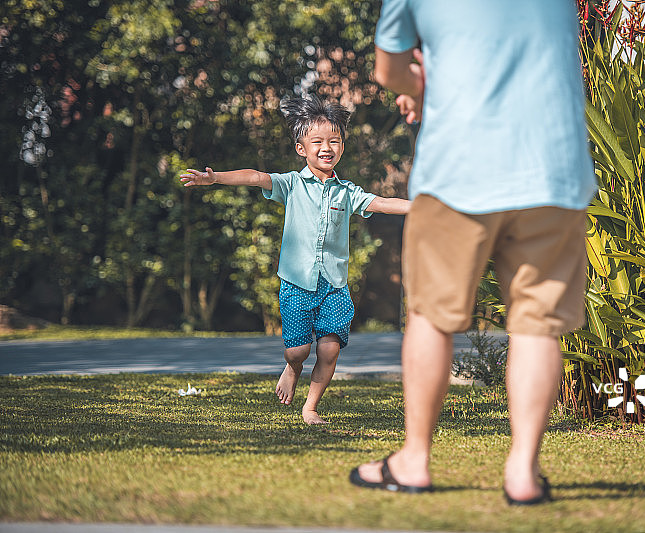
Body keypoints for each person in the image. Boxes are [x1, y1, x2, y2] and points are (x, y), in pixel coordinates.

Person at [349, 0, 597, 504]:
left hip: (459, 169)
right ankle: (523, 474)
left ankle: (414, 460)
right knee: (537, 324)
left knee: (430, 317)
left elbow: (388, 68)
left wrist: (421, 89)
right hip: (553, 166)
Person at [180, 96, 410, 425]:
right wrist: (215, 178)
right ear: (302, 148)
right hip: (297, 284)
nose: (326, 147)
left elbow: (384, 203)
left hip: (333, 285)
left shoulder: (347, 192)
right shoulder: (292, 184)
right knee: (298, 351)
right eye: (317, 141)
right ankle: (292, 368)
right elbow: (255, 177)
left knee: (330, 349)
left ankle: (310, 407)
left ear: (342, 146)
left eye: (334, 141)